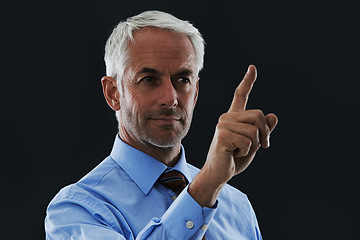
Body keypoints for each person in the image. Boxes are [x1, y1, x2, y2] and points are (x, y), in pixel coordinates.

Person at [45, 10, 278, 240]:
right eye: (148, 79)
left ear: (195, 93)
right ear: (113, 93)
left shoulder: (238, 207)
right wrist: (207, 185)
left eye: (183, 80)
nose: (171, 98)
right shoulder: (76, 210)